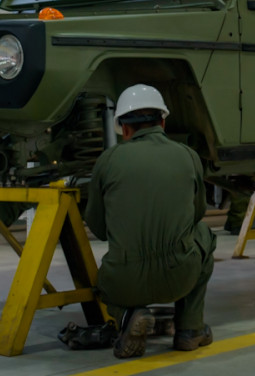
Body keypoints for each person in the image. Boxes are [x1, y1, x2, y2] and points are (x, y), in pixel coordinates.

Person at [84, 84, 217, 359]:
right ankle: (189, 330)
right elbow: (197, 215)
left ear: (124, 127)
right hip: (179, 276)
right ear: (163, 122)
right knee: (205, 234)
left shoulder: (108, 161)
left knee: (104, 284)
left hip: (124, 281)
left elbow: (97, 228)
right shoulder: (188, 156)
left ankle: (129, 314)